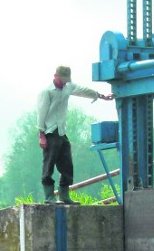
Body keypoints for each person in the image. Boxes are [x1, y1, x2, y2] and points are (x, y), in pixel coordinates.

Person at [37, 65, 114, 204]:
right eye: (62, 79)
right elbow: (41, 114)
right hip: (50, 131)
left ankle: (64, 195)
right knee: (49, 164)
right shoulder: (47, 92)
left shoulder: (68, 87)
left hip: (61, 131)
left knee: (67, 164)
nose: (64, 82)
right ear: (55, 76)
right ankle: (49, 196)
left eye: (66, 80)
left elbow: (83, 91)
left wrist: (101, 96)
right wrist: (41, 134)